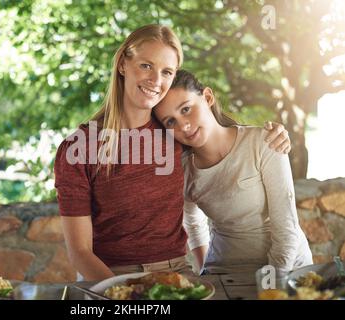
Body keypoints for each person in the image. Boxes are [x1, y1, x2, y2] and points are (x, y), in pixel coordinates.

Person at [54, 24, 291, 281]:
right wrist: (122, 295)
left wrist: (274, 134)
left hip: (176, 274)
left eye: (166, 71)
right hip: (110, 277)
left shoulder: (174, 132)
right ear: (122, 64)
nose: (156, 80)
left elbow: (226, 142)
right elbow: (79, 252)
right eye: (146, 65)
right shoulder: (79, 148)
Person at [153, 69, 313, 274]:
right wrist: (205, 273)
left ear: (208, 97)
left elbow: (286, 229)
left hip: (289, 270)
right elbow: (193, 223)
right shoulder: (183, 170)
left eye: (185, 109)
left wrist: (272, 284)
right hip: (225, 273)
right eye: (170, 121)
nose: (183, 126)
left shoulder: (264, 142)